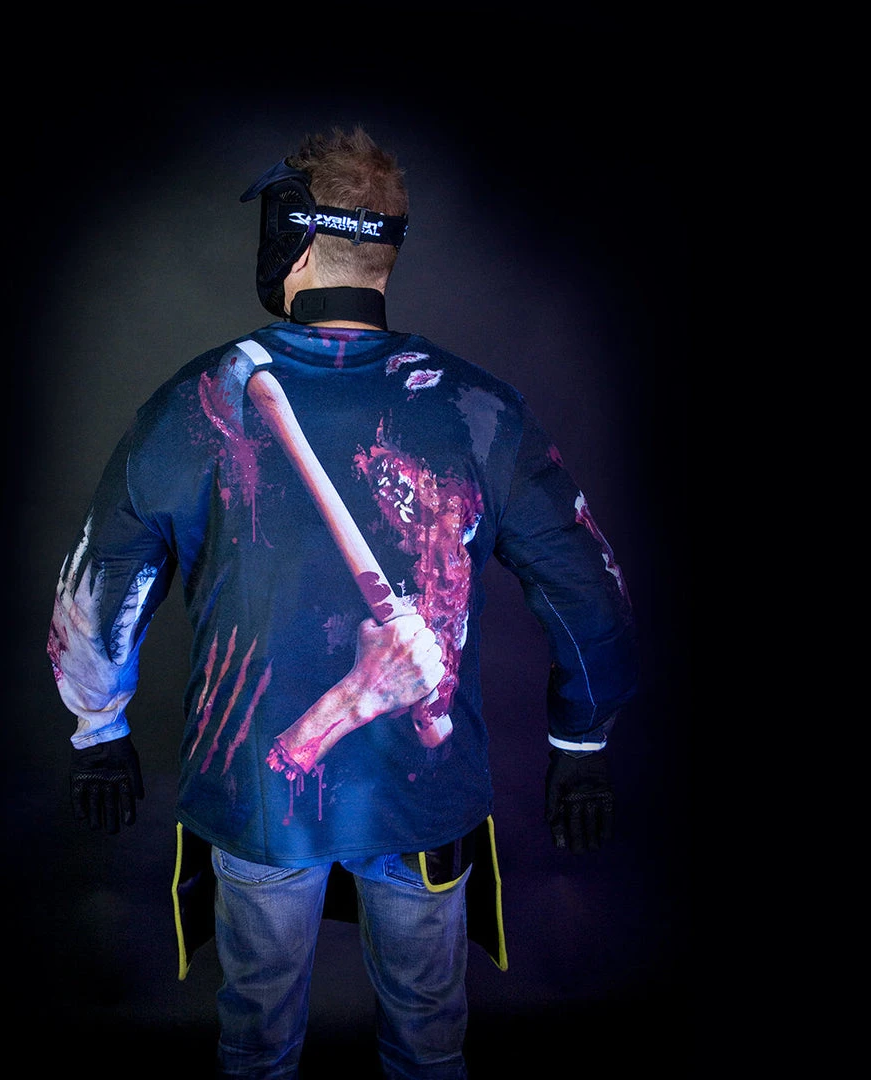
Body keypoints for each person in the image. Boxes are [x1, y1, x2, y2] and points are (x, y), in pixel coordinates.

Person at [47, 126, 637, 1079]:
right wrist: (581, 741)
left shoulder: (200, 401)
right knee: (429, 1042)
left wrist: (98, 725)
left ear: (291, 237)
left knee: (257, 1042)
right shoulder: (480, 410)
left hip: (258, 799)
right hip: (422, 798)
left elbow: (107, 575)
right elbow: (589, 595)